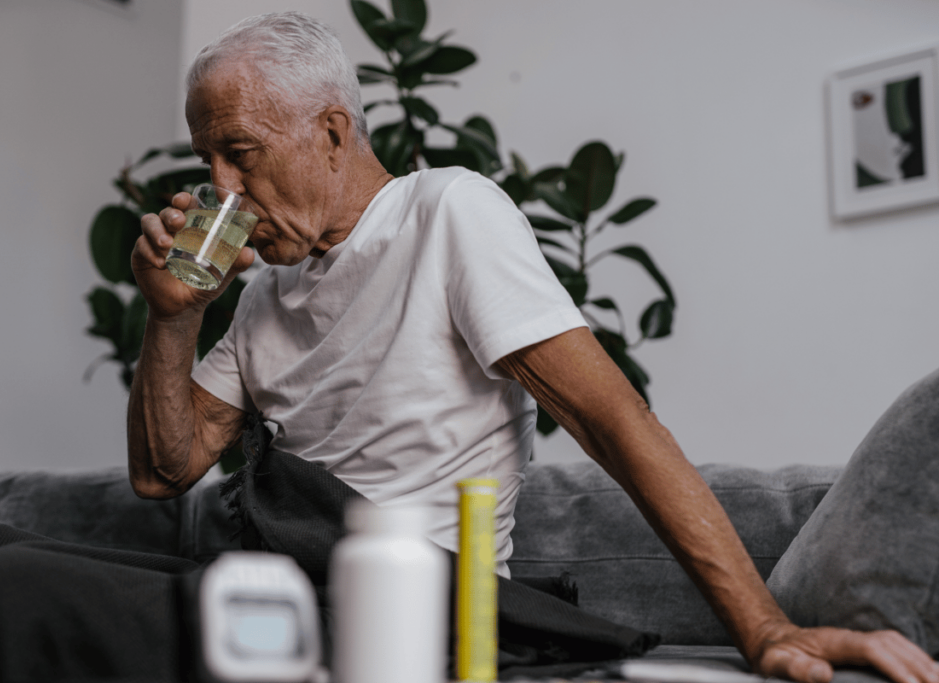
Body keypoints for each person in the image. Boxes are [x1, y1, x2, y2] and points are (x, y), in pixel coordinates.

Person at [126, 11, 938, 683]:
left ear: (333, 133)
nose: (220, 190)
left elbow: (613, 421)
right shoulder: (265, 293)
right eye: (209, 161)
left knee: (16, 587)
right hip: (279, 596)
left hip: (416, 616)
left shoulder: (447, 213)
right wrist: (171, 316)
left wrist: (764, 629)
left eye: (241, 152)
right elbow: (164, 470)